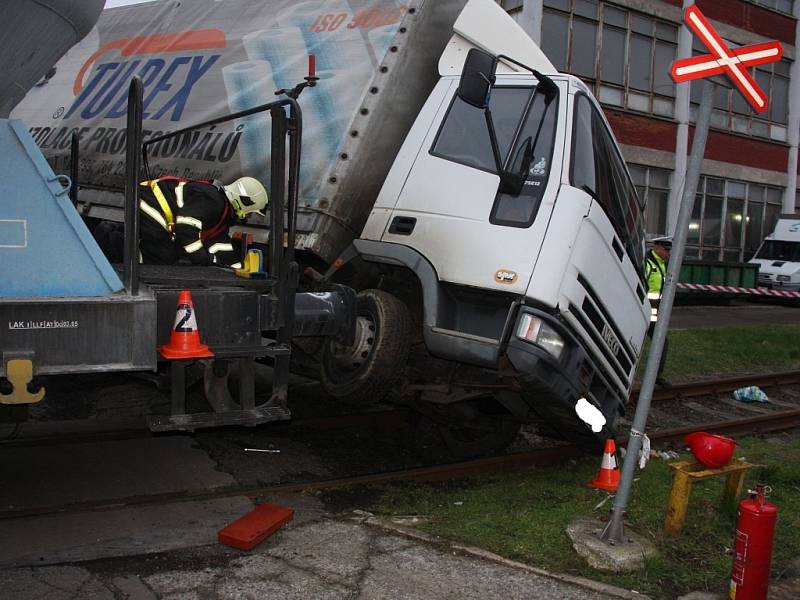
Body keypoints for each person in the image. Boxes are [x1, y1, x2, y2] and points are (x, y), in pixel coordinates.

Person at [137, 176, 268, 268]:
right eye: (250, 212)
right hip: (149, 201)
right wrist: (203, 258)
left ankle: (122, 238)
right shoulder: (214, 201)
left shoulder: (222, 210)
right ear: (244, 202)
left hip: (152, 204)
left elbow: (219, 241)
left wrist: (237, 268)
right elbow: (185, 229)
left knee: (166, 251)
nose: (248, 217)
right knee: (163, 255)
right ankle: (118, 247)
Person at [645, 236, 671, 387]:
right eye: (666, 250)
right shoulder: (647, 262)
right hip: (643, 309)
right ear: (657, 247)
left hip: (654, 312)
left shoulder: (663, 264)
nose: (668, 253)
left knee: (661, 342)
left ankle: (656, 376)